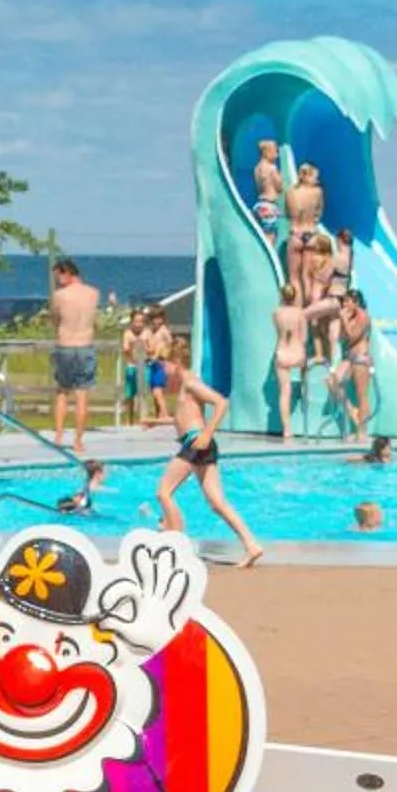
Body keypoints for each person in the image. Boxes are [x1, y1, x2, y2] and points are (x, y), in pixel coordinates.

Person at [153, 343, 264, 567]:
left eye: (164, 366)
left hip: (196, 443)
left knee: (164, 492)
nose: (163, 372)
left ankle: (176, 541)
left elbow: (221, 403)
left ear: (176, 363)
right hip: (198, 443)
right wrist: (153, 421)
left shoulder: (191, 383)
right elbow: (183, 418)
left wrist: (206, 433)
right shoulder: (185, 386)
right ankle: (252, 545)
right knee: (217, 502)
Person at [47, 259, 102, 452]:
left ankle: (59, 435)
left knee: (62, 392)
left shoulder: (59, 295)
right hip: (85, 344)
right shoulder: (94, 293)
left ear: (67, 273)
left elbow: (55, 318)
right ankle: (78, 440)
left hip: (66, 345)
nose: (57, 281)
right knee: (82, 394)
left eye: (58, 276)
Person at [328, 291, 375, 437]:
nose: (344, 305)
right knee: (332, 381)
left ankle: (362, 431)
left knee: (362, 395)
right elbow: (342, 337)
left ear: (356, 303)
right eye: (344, 301)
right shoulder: (350, 317)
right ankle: (352, 411)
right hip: (349, 357)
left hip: (361, 358)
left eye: (348, 301)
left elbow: (353, 336)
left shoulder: (363, 316)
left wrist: (343, 319)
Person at [284, 162, 326, 302]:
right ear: (308, 176)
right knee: (307, 277)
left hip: (296, 234)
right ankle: (310, 308)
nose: (317, 180)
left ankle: (297, 307)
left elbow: (288, 214)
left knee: (294, 278)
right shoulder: (317, 192)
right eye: (315, 177)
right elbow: (319, 214)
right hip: (311, 234)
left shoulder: (291, 192)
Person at [271, 296, 311, 440]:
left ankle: (287, 430)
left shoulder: (276, 313)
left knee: (284, 392)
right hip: (297, 354)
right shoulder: (300, 313)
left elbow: (278, 331)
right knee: (305, 366)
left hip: (282, 353)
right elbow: (304, 338)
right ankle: (304, 386)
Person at [116, 306, 146, 427]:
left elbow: (151, 347)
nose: (139, 324)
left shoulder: (146, 333)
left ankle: (143, 419)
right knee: (129, 394)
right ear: (132, 322)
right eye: (136, 321)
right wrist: (132, 352)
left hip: (144, 366)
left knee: (143, 393)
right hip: (131, 366)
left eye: (141, 321)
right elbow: (126, 349)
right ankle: (129, 420)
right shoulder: (127, 333)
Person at [251, 139, 284, 226]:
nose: (277, 155)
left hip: (260, 204)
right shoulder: (272, 168)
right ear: (266, 152)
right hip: (270, 205)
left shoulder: (257, 168)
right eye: (275, 152)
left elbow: (259, 187)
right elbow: (280, 188)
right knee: (271, 232)